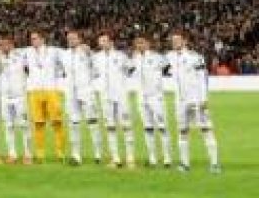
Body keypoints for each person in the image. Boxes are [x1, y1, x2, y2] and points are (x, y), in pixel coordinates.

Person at [168, 32, 220, 173]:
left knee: (206, 129)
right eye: (173, 40)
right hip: (180, 100)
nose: (175, 42)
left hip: (196, 99)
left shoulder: (195, 57)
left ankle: (215, 164)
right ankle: (185, 164)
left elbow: (203, 78)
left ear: (185, 41)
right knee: (182, 131)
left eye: (177, 40)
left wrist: (204, 98)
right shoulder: (170, 57)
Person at [131, 36, 173, 167]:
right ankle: (152, 158)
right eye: (137, 43)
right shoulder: (135, 58)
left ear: (148, 44)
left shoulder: (157, 57)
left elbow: (170, 69)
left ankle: (167, 158)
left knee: (162, 127)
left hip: (156, 96)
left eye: (142, 42)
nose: (140, 45)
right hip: (142, 97)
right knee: (148, 128)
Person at [93, 34, 133, 168]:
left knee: (126, 125)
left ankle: (130, 157)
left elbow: (131, 69)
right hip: (105, 96)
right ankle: (115, 158)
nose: (102, 43)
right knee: (110, 127)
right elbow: (94, 73)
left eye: (104, 41)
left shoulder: (121, 56)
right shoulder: (96, 58)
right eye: (100, 42)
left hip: (120, 94)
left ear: (111, 41)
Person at [25, 31, 66, 162]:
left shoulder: (54, 51)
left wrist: (83, 47)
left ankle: (60, 152)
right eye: (31, 39)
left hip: (51, 90)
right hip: (35, 91)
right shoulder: (26, 52)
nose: (33, 41)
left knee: (57, 122)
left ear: (42, 39)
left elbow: (69, 55)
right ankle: (40, 153)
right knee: (38, 123)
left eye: (35, 38)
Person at [61, 31, 100, 165]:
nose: (71, 40)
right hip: (71, 92)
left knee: (92, 122)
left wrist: (90, 54)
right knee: (73, 123)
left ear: (79, 39)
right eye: (69, 39)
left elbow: (97, 69)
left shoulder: (86, 52)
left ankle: (98, 153)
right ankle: (76, 155)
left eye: (73, 38)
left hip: (86, 91)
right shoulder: (64, 55)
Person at [0, 36, 32, 164]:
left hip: (19, 96)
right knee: (8, 125)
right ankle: (12, 154)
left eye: (6, 44)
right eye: (1, 44)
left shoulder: (21, 55)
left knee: (24, 125)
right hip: (5, 96)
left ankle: (28, 154)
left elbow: (32, 65)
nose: (3, 46)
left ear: (11, 44)